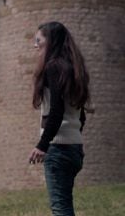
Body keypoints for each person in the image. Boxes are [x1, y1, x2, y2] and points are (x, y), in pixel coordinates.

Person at [28, 22, 91, 216]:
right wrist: (73, 137)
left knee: (60, 208)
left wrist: (43, 145)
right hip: (74, 149)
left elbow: (56, 111)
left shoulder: (53, 67)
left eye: (38, 40)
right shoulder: (74, 69)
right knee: (64, 205)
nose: (35, 44)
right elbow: (81, 114)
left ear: (50, 41)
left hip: (59, 150)